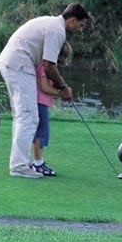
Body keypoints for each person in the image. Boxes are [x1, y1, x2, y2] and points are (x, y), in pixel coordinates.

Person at [0, 3, 92, 178]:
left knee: (23, 116)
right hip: (19, 64)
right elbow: (49, 66)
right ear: (72, 20)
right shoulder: (57, 31)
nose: (81, 30)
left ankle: (21, 163)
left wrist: (62, 87)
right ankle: (19, 166)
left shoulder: (52, 23)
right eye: (81, 25)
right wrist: (63, 88)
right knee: (28, 116)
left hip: (12, 63)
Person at [31, 41, 72, 176]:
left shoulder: (47, 66)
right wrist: (61, 93)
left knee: (41, 132)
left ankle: (37, 162)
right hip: (39, 102)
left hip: (41, 102)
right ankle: (38, 163)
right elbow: (44, 87)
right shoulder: (43, 66)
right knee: (41, 132)